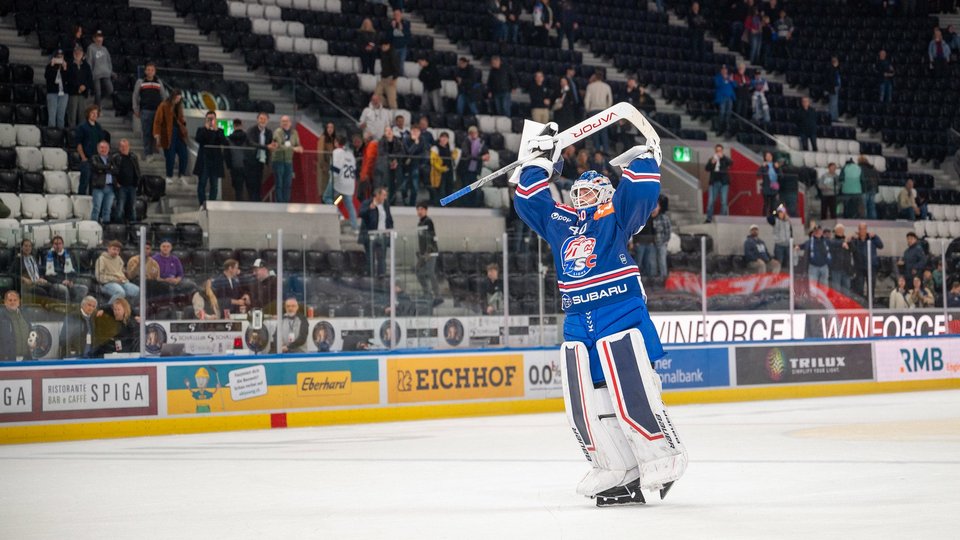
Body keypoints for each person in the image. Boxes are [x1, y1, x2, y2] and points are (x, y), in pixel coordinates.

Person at [512, 130, 685, 505]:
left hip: (618, 312)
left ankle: (661, 453)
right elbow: (529, 201)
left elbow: (639, 193)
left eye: (589, 193)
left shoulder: (615, 217)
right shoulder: (560, 222)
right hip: (578, 320)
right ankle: (614, 466)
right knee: (586, 397)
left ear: (606, 194)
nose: (581, 198)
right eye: (577, 193)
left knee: (631, 380)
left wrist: (642, 159)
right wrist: (540, 162)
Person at [132, 62, 166, 162]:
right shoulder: (140, 81)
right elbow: (135, 96)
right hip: (145, 111)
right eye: (148, 70)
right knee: (146, 132)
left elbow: (163, 96)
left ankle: (157, 151)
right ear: (145, 71)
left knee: (156, 133)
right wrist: (136, 109)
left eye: (152, 70)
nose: (150, 72)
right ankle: (148, 153)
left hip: (157, 111)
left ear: (155, 71)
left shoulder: (159, 82)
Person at [153, 89, 189, 185]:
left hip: (178, 134)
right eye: (177, 98)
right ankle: (169, 176)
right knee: (170, 157)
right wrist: (157, 136)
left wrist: (183, 122)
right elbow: (157, 121)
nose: (178, 100)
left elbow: (181, 119)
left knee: (184, 155)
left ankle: (181, 175)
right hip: (167, 134)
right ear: (173, 97)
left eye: (179, 98)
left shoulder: (179, 107)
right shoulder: (164, 105)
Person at [194, 110, 229, 205]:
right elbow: (199, 139)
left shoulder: (220, 131)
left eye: (212, 119)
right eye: (208, 119)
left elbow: (224, 142)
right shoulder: (201, 130)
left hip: (215, 160)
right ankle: (202, 203)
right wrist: (206, 128)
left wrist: (216, 130)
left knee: (214, 184)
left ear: (215, 119)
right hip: (204, 159)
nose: (210, 120)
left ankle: (212, 204)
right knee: (202, 183)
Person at [359, 186, 393, 277]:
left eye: (386, 196)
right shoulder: (367, 203)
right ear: (377, 195)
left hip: (382, 235)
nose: (385, 198)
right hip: (370, 236)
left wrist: (389, 231)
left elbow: (389, 219)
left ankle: (381, 276)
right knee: (370, 258)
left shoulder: (385, 204)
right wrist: (369, 208)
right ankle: (371, 277)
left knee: (382, 258)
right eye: (383, 195)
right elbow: (361, 213)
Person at [75, 104, 108, 196]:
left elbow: (102, 142)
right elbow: (78, 143)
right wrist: (83, 157)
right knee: (84, 182)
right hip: (87, 159)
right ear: (88, 114)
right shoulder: (82, 127)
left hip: (97, 160)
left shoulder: (98, 127)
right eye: (92, 113)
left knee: (94, 184)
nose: (94, 115)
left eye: (96, 113)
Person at [329, 135, 359, 232]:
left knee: (330, 200)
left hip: (340, 183)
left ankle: (340, 216)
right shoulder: (350, 154)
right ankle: (355, 227)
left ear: (337, 142)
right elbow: (354, 169)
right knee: (349, 205)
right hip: (350, 184)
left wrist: (332, 179)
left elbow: (336, 169)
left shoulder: (337, 152)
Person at [271, 115, 304, 203]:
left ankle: (286, 202)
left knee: (288, 183)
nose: (285, 123)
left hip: (289, 161)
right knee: (279, 183)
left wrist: (300, 148)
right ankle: (280, 202)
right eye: (283, 121)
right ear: (280, 123)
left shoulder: (294, 132)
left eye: (286, 121)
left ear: (290, 122)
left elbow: (297, 144)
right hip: (278, 160)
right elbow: (279, 146)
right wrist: (293, 148)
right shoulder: (277, 132)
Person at [45, 236, 87, 302]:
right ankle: (67, 309)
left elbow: (74, 271)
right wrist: (62, 281)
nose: (58, 246)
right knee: (64, 289)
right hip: (55, 283)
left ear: (63, 244)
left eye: (60, 243)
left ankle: (77, 308)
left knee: (83, 289)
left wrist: (71, 281)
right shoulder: (48, 256)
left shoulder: (69, 255)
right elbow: (47, 276)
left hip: (68, 281)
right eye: (56, 244)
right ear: (52, 245)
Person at [243, 112, 275, 202]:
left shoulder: (269, 132)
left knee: (258, 181)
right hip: (250, 160)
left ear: (267, 121)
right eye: (261, 118)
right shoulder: (251, 130)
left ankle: (257, 200)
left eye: (265, 119)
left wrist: (273, 146)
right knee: (251, 182)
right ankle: (252, 200)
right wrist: (266, 147)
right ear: (257, 120)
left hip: (261, 160)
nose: (262, 121)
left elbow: (271, 143)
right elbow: (251, 143)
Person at [96, 241, 139, 305]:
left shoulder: (119, 259)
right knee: (120, 292)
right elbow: (99, 277)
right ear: (108, 249)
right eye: (114, 249)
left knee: (138, 290)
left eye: (118, 250)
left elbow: (122, 271)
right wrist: (115, 279)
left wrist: (125, 275)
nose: (116, 252)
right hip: (107, 283)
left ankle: (129, 308)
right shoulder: (101, 259)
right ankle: (107, 309)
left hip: (122, 282)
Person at [153, 240, 195, 306]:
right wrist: (164, 280)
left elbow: (180, 274)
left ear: (171, 248)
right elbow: (153, 276)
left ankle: (188, 307)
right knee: (169, 288)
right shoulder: (154, 259)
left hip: (174, 281)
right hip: (160, 282)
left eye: (168, 246)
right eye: (163, 246)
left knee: (191, 284)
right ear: (160, 248)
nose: (165, 248)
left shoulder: (175, 259)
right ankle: (170, 307)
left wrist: (177, 280)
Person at [415, 202, 442, 305]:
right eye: (418, 209)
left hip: (430, 252)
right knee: (418, 271)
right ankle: (427, 292)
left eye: (421, 209)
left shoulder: (428, 221)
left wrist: (428, 252)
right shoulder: (419, 223)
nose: (419, 211)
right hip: (423, 253)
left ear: (426, 210)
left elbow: (431, 238)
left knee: (430, 272)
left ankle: (437, 295)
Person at [456, 126, 489, 206]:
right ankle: (464, 204)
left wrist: (486, 155)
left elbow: (486, 153)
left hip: (475, 170)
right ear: (469, 134)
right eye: (472, 133)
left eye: (475, 133)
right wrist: (481, 158)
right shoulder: (465, 142)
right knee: (465, 187)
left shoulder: (481, 142)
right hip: (465, 169)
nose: (474, 135)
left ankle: (472, 204)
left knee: (473, 187)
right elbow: (467, 156)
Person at [850, 223, 883, 300]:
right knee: (859, 287)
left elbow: (881, 246)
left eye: (863, 229)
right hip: (859, 267)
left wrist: (875, 236)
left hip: (871, 267)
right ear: (858, 230)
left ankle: (870, 303)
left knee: (871, 287)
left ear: (866, 229)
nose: (862, 231)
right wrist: (852, 239)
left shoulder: (872, 238)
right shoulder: (855, 240)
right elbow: (851, 249)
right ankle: (860, 304)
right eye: (860, 229)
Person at [0, 290, 36, 361]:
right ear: (5, 302)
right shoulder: (1, 317)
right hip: (7, 361)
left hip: (26, 359)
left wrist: (34, 343)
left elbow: (32, 333)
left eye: (15, 300)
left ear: (19, 302)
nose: (12, 302)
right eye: (10, 300)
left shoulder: (25, 315)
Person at [111, 139, 141, 223]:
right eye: (122, 146)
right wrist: (116, 182)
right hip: (121, 186)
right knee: (120, 207)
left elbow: (137, 170)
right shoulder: (116, 157)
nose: (124, 148)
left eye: (126, 146)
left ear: (129, 147)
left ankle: (133, 227)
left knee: (132, 208)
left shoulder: (133, 157)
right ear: (119, 147)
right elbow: (112, 172)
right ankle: (118, 226)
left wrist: (137, 182)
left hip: (132, 186)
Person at [17, 239, 54, 305]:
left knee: (52, 287)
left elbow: (39, 270)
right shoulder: (18, 259)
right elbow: (12, 273)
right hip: (28, 284)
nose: (27, 248)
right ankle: (44, 309)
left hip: (37, 281)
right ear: (22, 247)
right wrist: (22, 278)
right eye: (25, 246)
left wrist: (41, 277)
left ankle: (50, 308)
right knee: (42, 292)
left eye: (29, 246)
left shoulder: (33, 258)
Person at [584, 71, 613, 154]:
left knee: (595, 133)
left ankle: (597, 151)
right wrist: (608, 109)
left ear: (595, 77)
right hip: (604, 111)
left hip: (593, 110)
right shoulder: (607, 86)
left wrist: (587, 109)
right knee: (604, 132)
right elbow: (610, 100)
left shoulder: (590, 86)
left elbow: (587, 100)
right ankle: (606, 150)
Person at [88, 140, 117, 224]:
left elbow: (116, 170)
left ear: (108, 149)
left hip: (110, 187)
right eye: (101, 147)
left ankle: (106, 228)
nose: (103, 149)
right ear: (98, 149)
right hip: (98, 187)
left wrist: (103, 169)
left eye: (105, 148)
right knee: (96, 208)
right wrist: (108, 168)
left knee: (107, 209)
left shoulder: (112, 159)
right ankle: (93, 227)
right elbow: (96, 166)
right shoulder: (95, 158)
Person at [65, 46, 93, 128]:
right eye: (76, 52)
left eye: (80, 52)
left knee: (82, 115)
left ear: (82, 54)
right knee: (72, 115)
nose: (78, 54)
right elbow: (68, 78)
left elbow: (90, 79)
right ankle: (71, 133)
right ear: (74, 53)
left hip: (83, 94)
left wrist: (85, 86)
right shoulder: (69, 64)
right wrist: (78, 87)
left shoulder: (86, 66)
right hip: (72, 93)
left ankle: (81, 133)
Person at [704, 144, 732, 222]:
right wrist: (712, 162)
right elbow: (706, 168)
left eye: (720, 150)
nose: (718, 152)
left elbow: (731, 162)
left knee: (723, 202)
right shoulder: (712, 159)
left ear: (722, 151)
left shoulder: (725, 159)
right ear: (715, 151)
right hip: (714, 183)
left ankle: (722, 219)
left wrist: (723, 157)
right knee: (711, 201)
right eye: (717, 151)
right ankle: (709, 218)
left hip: (724, 183)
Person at [377, 125, 404, 204]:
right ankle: (385, 201)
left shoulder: (397, 141)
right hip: (384, 166)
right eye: (387, 131)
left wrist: (395, 160)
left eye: (390, 131)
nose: (389, 132)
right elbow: (382, 153)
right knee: (385, 184)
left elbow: (402, 152)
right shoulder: (381, 141)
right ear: (384, 133)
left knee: (394, 184)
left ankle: (393, 200)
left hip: (396, 165)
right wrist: (389, 162)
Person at [86, 30, 113, 107]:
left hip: (105, 73)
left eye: (101, 38)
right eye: (98, 38)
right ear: (94, 39)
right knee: (98, 92)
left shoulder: (104, 49)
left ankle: (97, 102)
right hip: (95, 74)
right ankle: (97, 108)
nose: (99, 40)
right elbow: (89, 61)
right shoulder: (91, 48)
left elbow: (109, 61)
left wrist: (110, 71)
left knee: (110, 90)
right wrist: (89, 73)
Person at [428, 131, 456, 205]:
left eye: (446, 138)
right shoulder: (435, 148)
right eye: (442, 137)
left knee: (449, 188)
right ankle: (438, 204)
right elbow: (433, 162)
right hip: (438, 172)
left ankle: (449, 204)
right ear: (440, 138)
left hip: (449, 171)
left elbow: (455, 155)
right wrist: (441, 168)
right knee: (439, 189)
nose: (444, 139)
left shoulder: (450, 148)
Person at [800, 223, 830, 288]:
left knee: (824, 286)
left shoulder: (826, 241)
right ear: (813, 232)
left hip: (824, 266)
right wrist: (796, 247)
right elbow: (801, 246)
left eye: (819, 231)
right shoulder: (809, 242)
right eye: (816, 231)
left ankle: (822, 297)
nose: (818, 232)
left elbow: (835, 243)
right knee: (813, 285)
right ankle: (813, 298)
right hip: (813, 267)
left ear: (822, 232)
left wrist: (843, 243)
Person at [401, 126, 425, 206]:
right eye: (413, 131)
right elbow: (408, 152)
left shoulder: (422, 140)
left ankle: (412, 204)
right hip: (405, 166)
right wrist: (415, 144)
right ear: (410, 131)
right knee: (403, 187)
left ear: (420, 133)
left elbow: (423, 154)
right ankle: (405, 200)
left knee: (414, 187)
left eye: (417, 131)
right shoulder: (405, 139)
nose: (415, 133)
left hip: (416, 166)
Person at [45, 49, 69, 128]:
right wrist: (52, 65)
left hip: (63, 93)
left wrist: (65, 68)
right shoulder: (49, 67)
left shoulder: (66, 66)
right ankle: (51, 133)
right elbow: (48, 77)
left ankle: (60, 134)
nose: (59, 58)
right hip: (52, 92)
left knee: (61, 115)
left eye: (61, 57)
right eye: (58, 57)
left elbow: (68, 79)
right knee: (52, 115)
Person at [376, 39, 401, 109]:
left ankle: (394, 115)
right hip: (383, 78)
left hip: (391, 79)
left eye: (384, 46)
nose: (382, 48)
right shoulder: (382, 52)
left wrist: (394, 78)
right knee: (376, 96)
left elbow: (397, 68)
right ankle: (385, 104)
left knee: (392, 101)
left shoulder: (393, 55)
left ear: (388, 46)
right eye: (382, 46)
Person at [316, 122, 337, 201]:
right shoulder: (323, 138)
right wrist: (323, 166)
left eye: (332, 127)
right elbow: (320, 153)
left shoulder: (334, 139)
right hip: (325, 168)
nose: (330, 129)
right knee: (324, 188)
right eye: (328, 127)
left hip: (333, 168)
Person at [652, 197, 671, 279]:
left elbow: (668, 231)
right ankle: (656, 278)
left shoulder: (664, 218)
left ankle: (663, 277)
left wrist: (665, 241)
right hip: (652, 243)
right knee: (653, 262)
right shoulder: (650, 218)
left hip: (662, 243)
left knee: (662, 261)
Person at [757, 151, 780, 216]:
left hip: (774, 188)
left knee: (773, 205)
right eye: (767, 156)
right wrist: (762, 166)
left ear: (772, 157)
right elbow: (758, 174)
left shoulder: (775, 165)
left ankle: (772, 217)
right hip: (766, 187)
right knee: (766, 204)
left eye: (770, 156)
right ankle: (764, 217)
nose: (768, 158)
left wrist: (778, 168)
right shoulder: (764, 166)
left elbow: (781, 175)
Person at [389, 8, 411, 74]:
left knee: (401, 63)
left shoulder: (405, 24)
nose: (396, 16)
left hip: (402, 47)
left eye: (398, 14)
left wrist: (402, 29)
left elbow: (408, 35)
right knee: (394, 63)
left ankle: (401, 76)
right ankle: (394, 75)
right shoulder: (390, 24)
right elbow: (388, 36)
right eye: (395, 15)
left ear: (401, 15)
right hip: (394, 46)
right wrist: (392, 28)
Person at [714, 65, 735, 130]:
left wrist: (731, 80)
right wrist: (724, 79)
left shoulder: (729, 78)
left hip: (729, 98)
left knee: (729, 112)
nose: (724, 70)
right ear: (721, 70)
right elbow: (717, 85)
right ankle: (720, 126)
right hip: (722, 98)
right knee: (722, 112)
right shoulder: (718, 77)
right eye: (723, 69)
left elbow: (735, 85)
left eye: (725, 69)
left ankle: (727, 125)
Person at [859, 156, 879, 220]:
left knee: (864, 205)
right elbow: (877, 179)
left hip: (864, 188)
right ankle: (873, 218)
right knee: (872, 205)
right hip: (873, 188)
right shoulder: (873, 168)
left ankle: (864, 219)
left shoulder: (860, 168)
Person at [825, 56, 842, 122]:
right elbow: (831, 79)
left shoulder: (834, 69)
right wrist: (835, 86)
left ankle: (835, 117)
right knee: (833, 103)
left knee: (834, 103)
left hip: (835, 88)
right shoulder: (832, 69)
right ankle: (831, 117)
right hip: (833, 88)